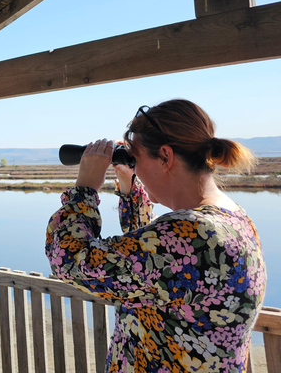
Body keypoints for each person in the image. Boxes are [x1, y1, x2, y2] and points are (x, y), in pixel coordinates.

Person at [45, 99, 266, 372]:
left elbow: (69, 261)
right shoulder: (230, 219)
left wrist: (84, 190)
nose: (135, 168)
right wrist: (128, 182)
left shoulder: (190, 234)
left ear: (165, 156)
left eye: (136, 160)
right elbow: (148, 260)